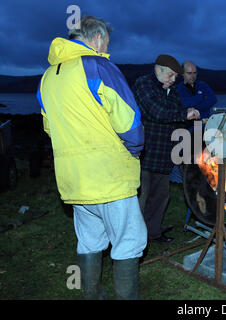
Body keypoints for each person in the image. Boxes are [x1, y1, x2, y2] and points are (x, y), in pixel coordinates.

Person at [36, 16, 147, 300]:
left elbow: (49, 128)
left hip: (74, 180)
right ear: (97, 38)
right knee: (128, 241)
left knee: (89, 240)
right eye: (106, 43)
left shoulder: (48, 78)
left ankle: (92, 296)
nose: (106, 49)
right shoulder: (98, 66)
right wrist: (133, 151)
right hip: (109, 177)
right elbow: (129, 122)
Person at [133, 55, 200, 243]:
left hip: (164, 154)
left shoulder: (171, 90)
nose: (173, 80)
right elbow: (157, 112)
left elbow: (176, 111)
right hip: (144, 152)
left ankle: (153, 233)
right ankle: (134, 239)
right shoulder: (143, 84)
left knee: (161, 197)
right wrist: (184, 114)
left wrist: (183, 114)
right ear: (158, 69)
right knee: (141, 198)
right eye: (170, 75)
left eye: (175, 77)